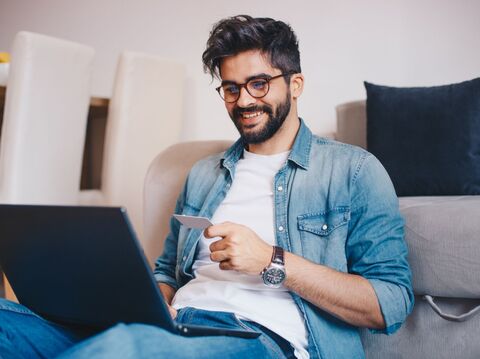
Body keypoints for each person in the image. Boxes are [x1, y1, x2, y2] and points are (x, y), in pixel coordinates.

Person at [0, 15, 413, 359]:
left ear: (296, 84)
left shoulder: (354, 171)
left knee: (123, 348)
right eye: (231, 88)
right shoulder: (203, 174)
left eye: (259, 83)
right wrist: (149, 299)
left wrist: (271, 260)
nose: (243, 100)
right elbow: (165, 271)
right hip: (174, 327)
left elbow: (391, 301)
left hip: (257, 340)